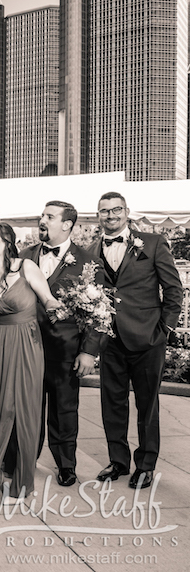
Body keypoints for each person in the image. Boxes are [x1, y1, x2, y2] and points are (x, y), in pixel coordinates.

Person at [92, 192, 182, 489]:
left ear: (126, 211)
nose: (111, 215)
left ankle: (145, 465)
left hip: (148, 339)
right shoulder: (92, 250)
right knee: (112, 404)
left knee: (148, 405)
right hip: (110, 340)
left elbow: (173, 290)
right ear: (98, 216)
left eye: (116, 209)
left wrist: (164, 330)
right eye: (104, 211)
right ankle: (118, 461)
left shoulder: (153, 243)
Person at [0, 223, 60, 503]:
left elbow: (48, 299)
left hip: (28, 345)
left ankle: (22, 479)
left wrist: (64, 308)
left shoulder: (27, 267)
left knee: (25, 410)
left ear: (7, 242)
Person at [18, 201, 105, 486]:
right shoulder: (23, 256)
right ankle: (24, 460)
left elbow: (99, 311)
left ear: (67, 224)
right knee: (26, 408)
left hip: (66, 350)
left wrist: (89, 351)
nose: (42, 220)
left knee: (64, 411)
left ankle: (66, 465)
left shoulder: (88, 261)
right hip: (26, 347)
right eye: (42, 215)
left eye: (49, 216)